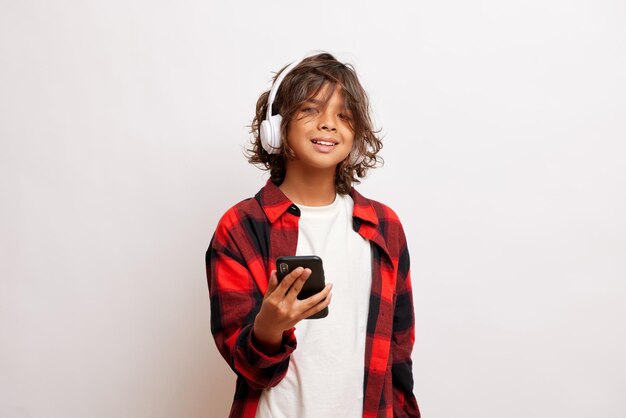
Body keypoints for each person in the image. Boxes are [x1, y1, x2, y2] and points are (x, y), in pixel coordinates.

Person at [206, 52, 420, 418]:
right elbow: (248, 367)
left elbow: (398, 358)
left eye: (343, 115)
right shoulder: (240, 226)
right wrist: (269, 328)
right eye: (310, 110)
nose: (328, 125)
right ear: (276, 126)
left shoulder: (384, 227)